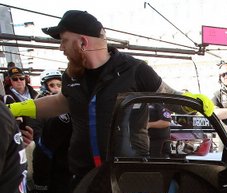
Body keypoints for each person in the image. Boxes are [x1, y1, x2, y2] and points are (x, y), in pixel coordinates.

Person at [7, 9, 214, 182]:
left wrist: (191, 102)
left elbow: (168, 96)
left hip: (127, 174)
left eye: (63, 41)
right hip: (84, 174)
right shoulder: (71, 75)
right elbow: (62, 102)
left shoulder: (135, 70)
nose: (61, 47)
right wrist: (19, 108)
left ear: (83, 43)